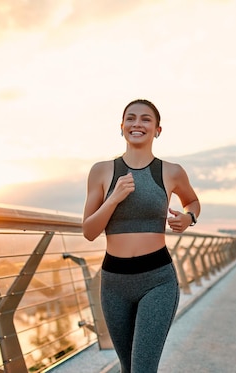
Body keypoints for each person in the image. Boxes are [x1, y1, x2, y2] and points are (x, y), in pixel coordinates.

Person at [82, 99, 200, 373]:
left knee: (142, 369)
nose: (138, 124)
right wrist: (113, 199)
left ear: (157, 130)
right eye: (131, 118)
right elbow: (89, 231)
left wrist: (188, 217)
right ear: (121, 126)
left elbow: (192, 201)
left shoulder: (171, 171)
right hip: (113, 282)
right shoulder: (101, 171)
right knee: (128, 368)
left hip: (157, 279)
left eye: (146, 119)